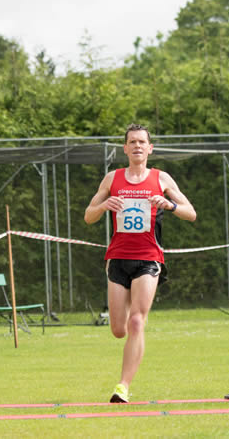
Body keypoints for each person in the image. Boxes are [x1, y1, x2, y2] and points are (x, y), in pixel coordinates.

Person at [84, 124, 196, 403]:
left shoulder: (161, 178)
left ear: (149, 148)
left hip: (148, 258)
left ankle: (122, 386)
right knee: (118, 329)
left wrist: (168, 205)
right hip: (117, 259)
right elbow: (88, 216)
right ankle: (127, 330)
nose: (136, 146)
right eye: (131, 142)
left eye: (141, 142)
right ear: (125, 148)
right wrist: (103, 205)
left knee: (137, 322)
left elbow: (190, 213)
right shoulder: (112, 178)